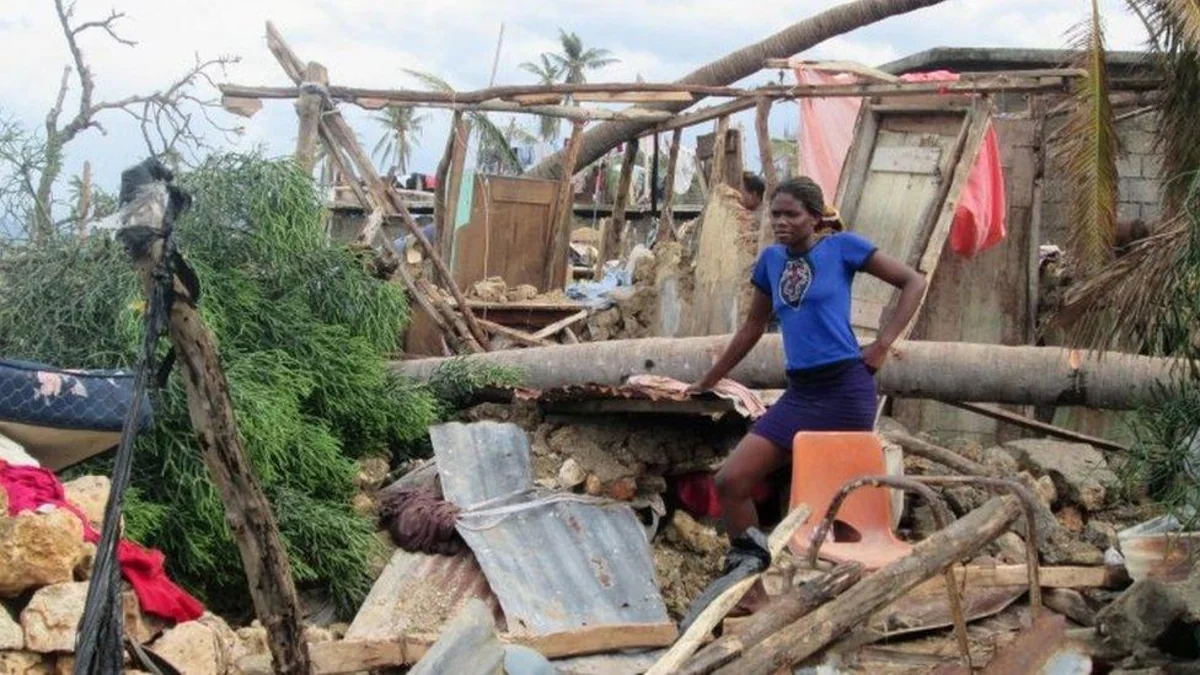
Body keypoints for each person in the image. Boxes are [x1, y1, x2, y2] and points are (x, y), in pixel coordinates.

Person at [689, 175, 926, 612]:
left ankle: (863, 599)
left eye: (791, 214)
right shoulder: (770, 263)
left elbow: (913, 282)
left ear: (815, 218)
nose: (780, 222)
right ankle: (752, 590)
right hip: (800, 394)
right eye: (774, 214)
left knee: (845, 507)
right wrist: (708, 379)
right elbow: (751, 330)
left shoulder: (843, 248)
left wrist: (882, 344)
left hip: (846, 389)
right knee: (731, 480)